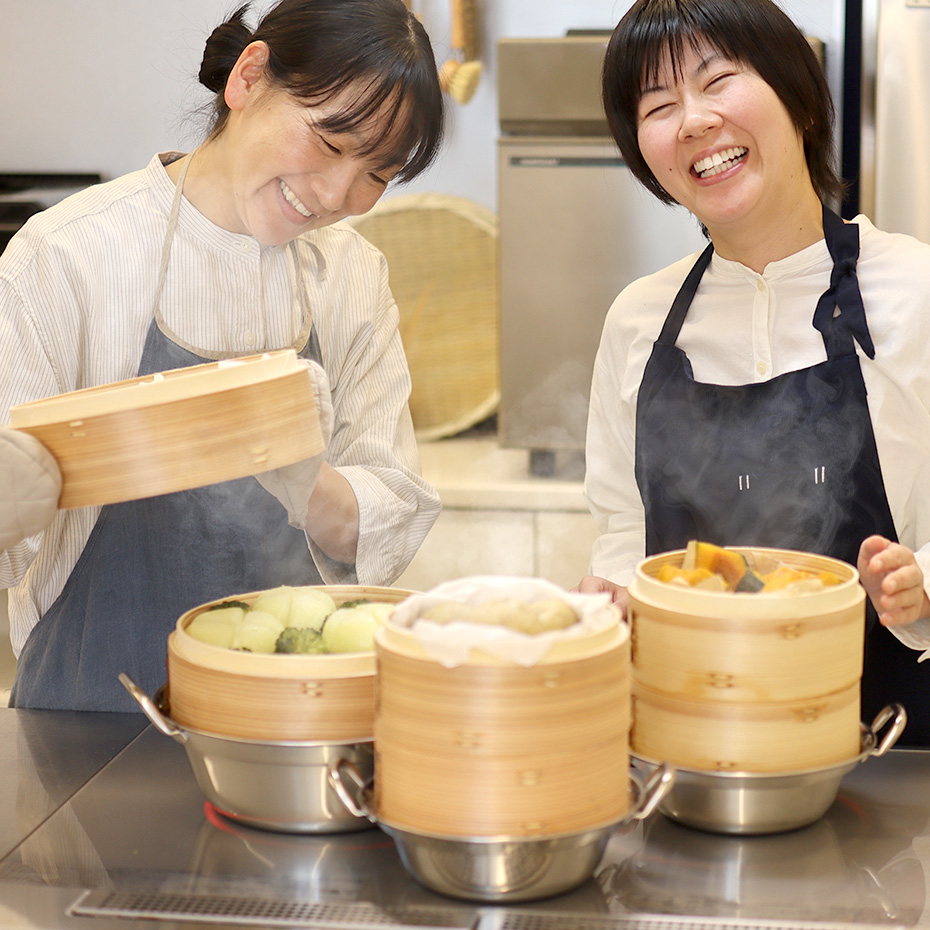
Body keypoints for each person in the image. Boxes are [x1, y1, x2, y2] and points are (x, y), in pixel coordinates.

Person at [0, 0, 445, 712]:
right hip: (88, 717)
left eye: (378, 174)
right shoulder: (69, 255)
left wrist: (306, 479)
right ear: (248, 77)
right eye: (330, 144)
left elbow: (386, 527)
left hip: (288, 724)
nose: (338, 194)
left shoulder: (351, 275)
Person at [577, 0, 930, 744]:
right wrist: (605, 599)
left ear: (796, 96)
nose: (693, 121)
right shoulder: (638, 321)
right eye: (659, 105)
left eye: (718, 80)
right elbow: (619, 529)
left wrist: (922, 584)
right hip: (691, 744)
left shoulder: (918, 291)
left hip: (895, 744)